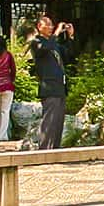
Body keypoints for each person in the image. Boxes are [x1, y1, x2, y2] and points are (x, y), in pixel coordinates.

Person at [28, 14, 76, 150]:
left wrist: (70, 37)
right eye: (47, 25)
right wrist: (56, 33)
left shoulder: (54, 44)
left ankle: (54, 149)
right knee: (49, 121)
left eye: (52, 25)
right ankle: (45, 150)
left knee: (58, 121)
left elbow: (69, 56)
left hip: (60, 86)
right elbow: (44, 49)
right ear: (39, 27)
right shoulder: (37, 42)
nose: (50, 27)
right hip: (49, 87)